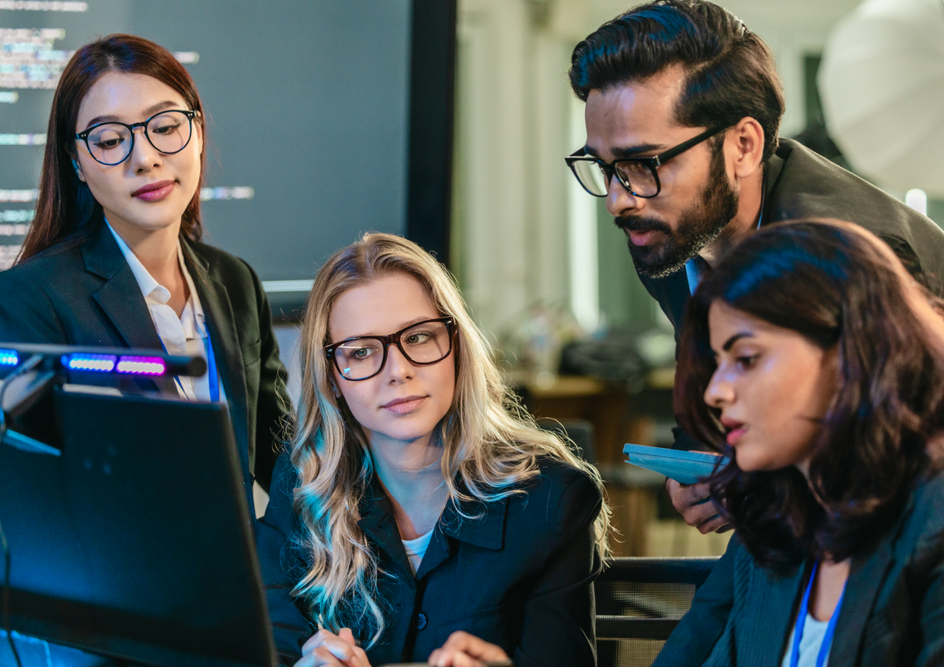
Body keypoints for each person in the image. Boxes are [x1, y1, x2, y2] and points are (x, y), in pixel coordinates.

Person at [565, 4, 944, 663]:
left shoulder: (853, 255)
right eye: (605, 169)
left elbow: (898, 448)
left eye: (644, 163)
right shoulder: (670, 229)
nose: (623, 198)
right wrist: (701, 459)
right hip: (814, 493)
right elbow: (709, 368)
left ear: (743, 144)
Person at [256, 233, 611, 667]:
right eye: (363, 351)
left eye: (419, 337)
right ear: (332, 376)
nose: (398, 371)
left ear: (456, 345)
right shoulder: (301, 488)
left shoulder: (551, 501)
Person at [669, 219, 944, 664]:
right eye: (718, 361)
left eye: (746, 359)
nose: (715, 390)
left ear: (851, 354)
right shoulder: (775, 513)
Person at [0, 35, 290, 509]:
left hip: (241, 578)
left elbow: (284, 467)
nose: (146, 158)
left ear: (196, 133)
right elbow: (37, 503)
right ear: (76, 163)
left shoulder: (236, 282)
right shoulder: (28, 300)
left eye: (166, 126)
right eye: (111, 140)